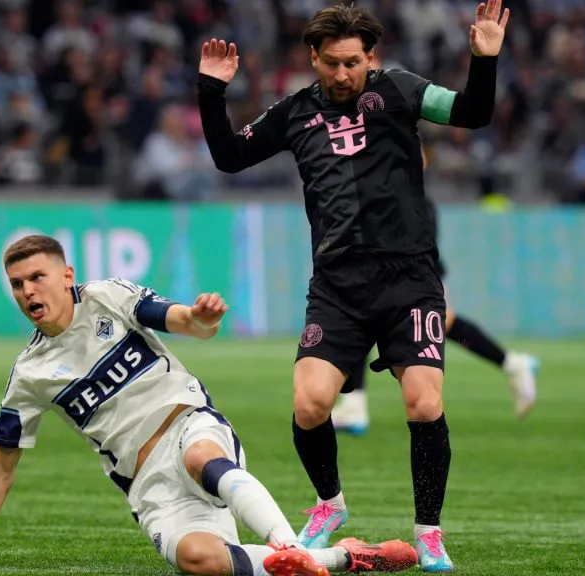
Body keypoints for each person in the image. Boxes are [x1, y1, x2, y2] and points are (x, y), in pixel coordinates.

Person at [196, 1, 511, 571]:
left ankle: (429, 534)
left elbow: (472, 112)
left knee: (423, 403)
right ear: (313, 59)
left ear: (373, 57)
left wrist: (483, 59)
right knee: (311, 403)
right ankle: (329, 505)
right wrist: (212, 93)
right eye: (332, 63)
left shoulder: (400, 90)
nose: (344, 75)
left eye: (354, 63)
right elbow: (229, 156)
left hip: (409, 279)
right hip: (337, 284)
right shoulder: (294, 112)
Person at [0, 234, 418, 576]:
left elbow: (180, 320)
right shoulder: (29, 376)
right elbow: (1, 465)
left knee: (202, 458)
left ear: (66, 275)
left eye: (37, 277)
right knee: (199, 561)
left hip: (187, 423)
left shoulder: (107, 297)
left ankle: (291, 549)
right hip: (147, 486)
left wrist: (199, 317)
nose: (27, 291)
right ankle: (340, 557)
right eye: (18, 284)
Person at [332, 148, 539, 437]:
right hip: (410, 277)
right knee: (434, 324)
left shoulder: (411, 200)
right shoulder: (400, 196)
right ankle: (512, 363)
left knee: (386, 322)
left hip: (417, 278)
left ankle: (512, 363)